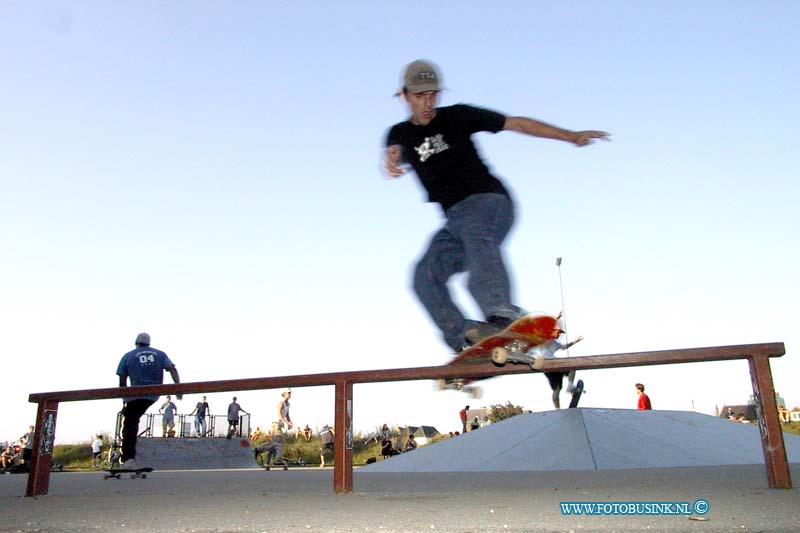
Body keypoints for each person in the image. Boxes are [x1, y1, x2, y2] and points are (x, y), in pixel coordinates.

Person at [383, 59, 609, 353]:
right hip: (454, 221)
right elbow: (394, 149)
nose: (426, 103)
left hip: (489, 202)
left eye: (432, 95)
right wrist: (391, 159)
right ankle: (465, 339)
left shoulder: (459, 115)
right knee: (424, 276)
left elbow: (515, 123)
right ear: (404, 95)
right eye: (418, 96)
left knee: (477, 237)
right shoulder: (400, 132)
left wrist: (569, 136)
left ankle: (502, 316)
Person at [116, 332, 181, 469]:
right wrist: (178, 388)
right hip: (153, 394)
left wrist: (125, 400)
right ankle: (128, 458)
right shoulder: (160, 354)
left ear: (136, 343)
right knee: (133, 418)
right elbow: (172, 369)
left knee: (129, 424)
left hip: (135, 395)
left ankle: (128, 459)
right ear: (149, 343)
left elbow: (122, 381)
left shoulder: (128, 356)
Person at [539, 317, 584, 408]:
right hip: (551, 363)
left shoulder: (555, 343)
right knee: (572, 368)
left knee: (557, 389)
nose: (559, 335)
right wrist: (557, 318)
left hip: (547, 367)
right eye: (558, 332)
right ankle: (570, 386)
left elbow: (564, 347)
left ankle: (557, 409)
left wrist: (575, 341)